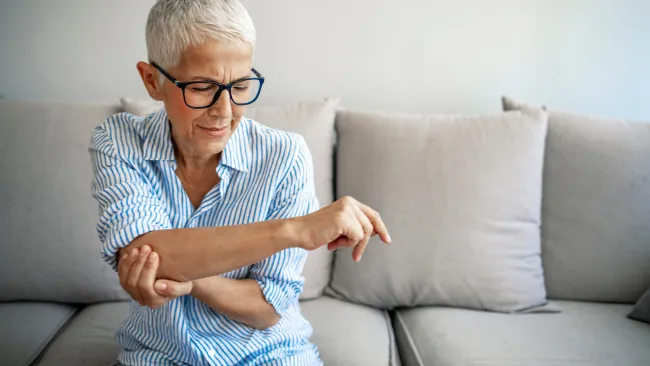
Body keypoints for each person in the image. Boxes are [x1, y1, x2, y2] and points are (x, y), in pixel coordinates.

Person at [89, 0, 391, 365]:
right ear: (153, 81)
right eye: (202, 87)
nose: (226, 111)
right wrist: (296, 229)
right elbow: (150, 251)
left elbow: (267, 308)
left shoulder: (285, 156)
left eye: (241, 85)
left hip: (270, 355)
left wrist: (190, 280)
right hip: (159, 355)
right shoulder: (118, 141)